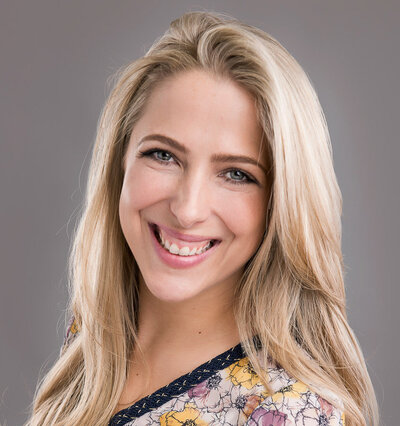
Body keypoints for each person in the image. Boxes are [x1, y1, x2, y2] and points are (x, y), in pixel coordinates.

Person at [27, 11, 379, 426]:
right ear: (119, 161)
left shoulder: (281, 414)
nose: (187, 209)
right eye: (163, 155)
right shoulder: (97, 339)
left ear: (281, 204)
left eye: (237, 174)